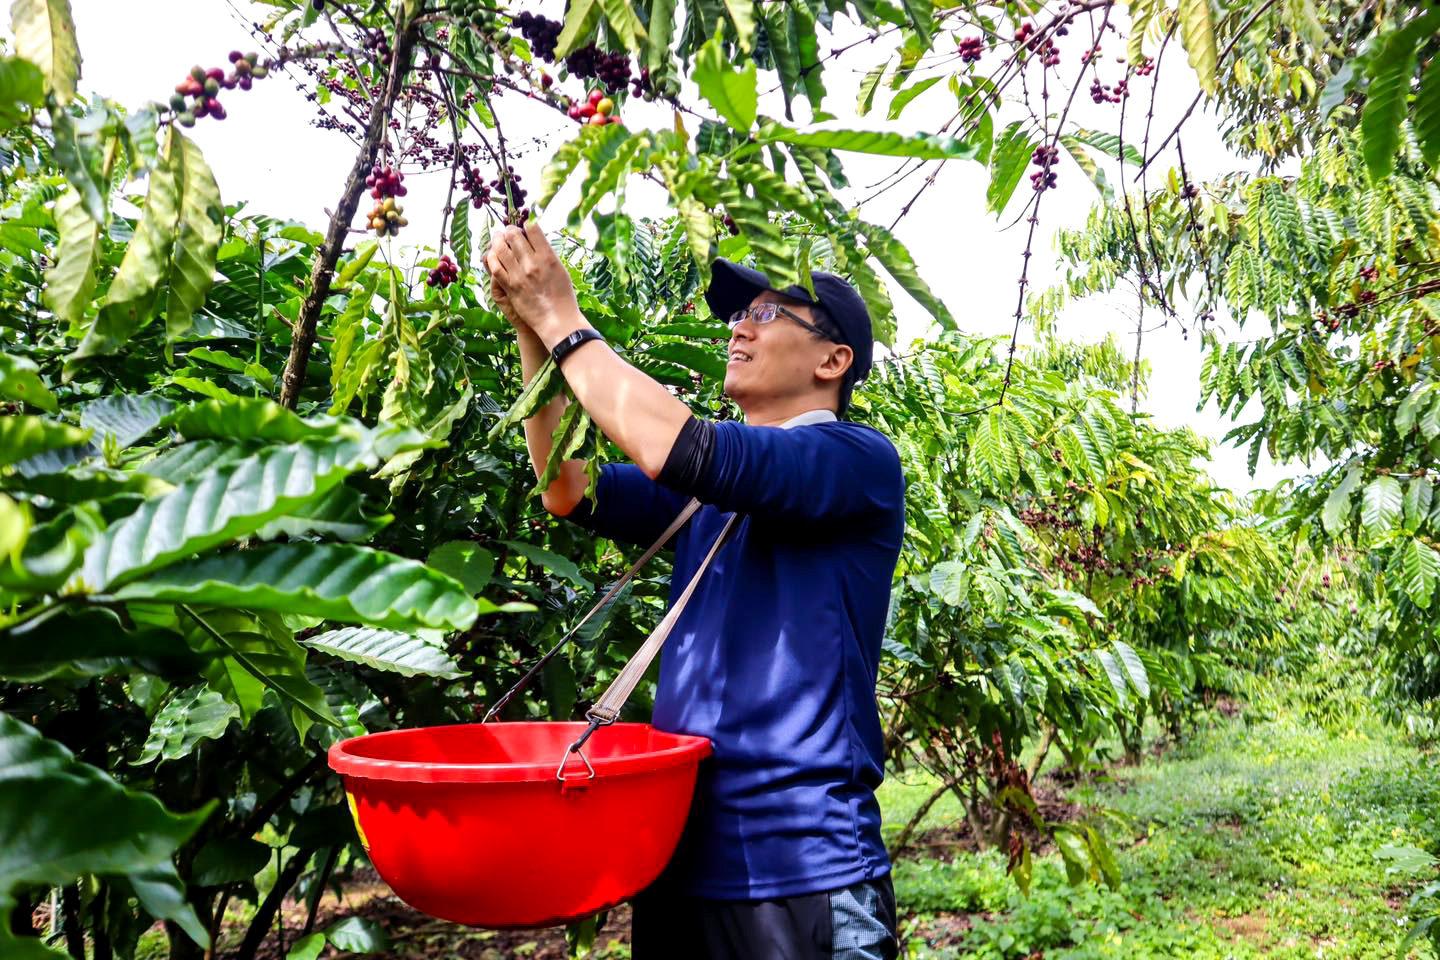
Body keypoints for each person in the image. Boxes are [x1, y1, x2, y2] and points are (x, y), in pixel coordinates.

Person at [485, 221, 905, 959]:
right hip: (679, 862)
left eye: (766, 313)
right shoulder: (702, 498)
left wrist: (563, 317)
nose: (739, 329)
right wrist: (533, 333)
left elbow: (677, 445)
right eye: (739, 316)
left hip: (801, 870)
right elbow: (565, 488)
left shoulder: (853, 460)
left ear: (834, 360)